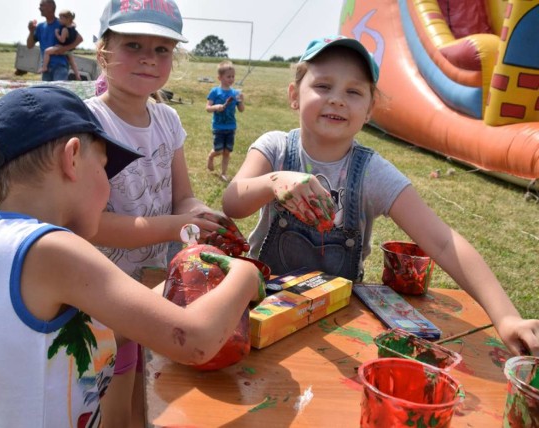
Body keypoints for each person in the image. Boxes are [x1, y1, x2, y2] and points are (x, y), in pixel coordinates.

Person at [0, 85, 265, 428]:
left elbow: (104, 324)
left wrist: (172, 287)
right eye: (107, 170)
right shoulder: (53, 249)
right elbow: (194, 342)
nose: (109, 189)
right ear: (72, 158)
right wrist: (245, 275)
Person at [222, 35, 539, 357]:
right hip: (262, 312)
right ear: (294, 95)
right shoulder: (275, 148)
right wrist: (273, 181)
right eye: (323, 86)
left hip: (338, 323)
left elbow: (443, 241)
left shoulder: (372, 171)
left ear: (370, 109)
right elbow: (232, 203)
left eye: (354, 91)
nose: (337, 100)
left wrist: (506, 317)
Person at [86, 1, 251, 426]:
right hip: (106, 294)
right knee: (115, 397)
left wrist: (198, 213)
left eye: (162, 49)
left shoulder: (167, 119)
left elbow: (184, 197)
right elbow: (90, 223)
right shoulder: (89, 123)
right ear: (103, 50)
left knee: (151, 387)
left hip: (159, 282)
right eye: (134, 44)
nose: (148, 57)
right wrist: (175, 225)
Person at [205, 60, 245, 182]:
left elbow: (241, 109)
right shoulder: (215, 91)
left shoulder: (235, 93)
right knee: (219, 150)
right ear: (220, 77)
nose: (231, 79)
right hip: (218, 127)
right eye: (228, 76)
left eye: (233, 76)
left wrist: (241, 100)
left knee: (227, 152)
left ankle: (223, 173)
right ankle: (211, 156)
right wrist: (216, 107)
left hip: (231, 127)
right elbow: (207, 108)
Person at [26, 0, 82, 81]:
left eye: (42, 5)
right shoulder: (40, 27)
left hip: (60, 68)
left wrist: (64, 49)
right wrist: (31, 31)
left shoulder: (61, 24)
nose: (39, 8)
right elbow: (29, 45)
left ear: (51, 7)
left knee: (58, 93)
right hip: (46, 69)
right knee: (46, 93)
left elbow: (79, 39)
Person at [39, 9, 81, 79]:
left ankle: (44, 67)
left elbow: (62, 40)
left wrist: (57, 33)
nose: (59, 20)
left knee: (47, 51)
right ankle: (77, 75)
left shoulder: (64, 29)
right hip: (69, 51)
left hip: (61, 48)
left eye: (61, 18)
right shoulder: (73, 28)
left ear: (67, 19)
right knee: (72, 63)